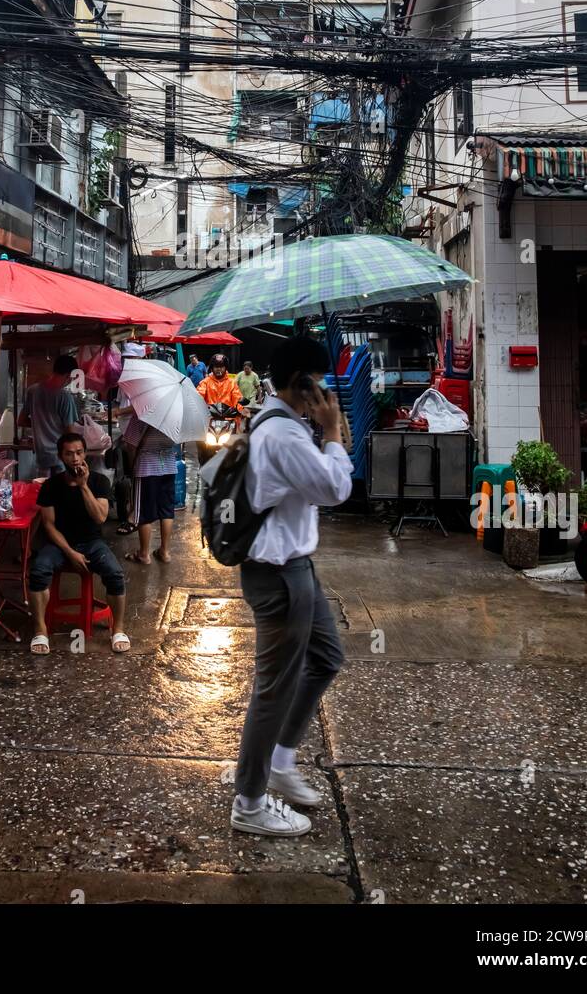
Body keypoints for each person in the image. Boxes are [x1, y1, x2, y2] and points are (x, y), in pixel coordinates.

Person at [231, 335, 352, 838]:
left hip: (296, 565)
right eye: (320, 380)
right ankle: (251, 801)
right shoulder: (286, 435)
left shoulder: (278, 423)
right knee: (274, 691)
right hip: (280, 575)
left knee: (325, 657)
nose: (324, 390)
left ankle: (281, 760)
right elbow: (335, 489)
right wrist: (334, 433)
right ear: (301, 381)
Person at [27, 432, 130, 655]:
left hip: (92, 542)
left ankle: (118, 629)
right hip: (60, 544)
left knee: (115, 575)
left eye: (79, 452)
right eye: (69, 454)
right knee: (38, 571)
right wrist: (70, 552)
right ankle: (40, 630)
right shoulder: (51, 486)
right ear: (61, 456)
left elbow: (101, 517)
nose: (75, 458)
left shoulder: (99, 481)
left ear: (85, 453)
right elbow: (49, 525)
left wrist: (83, 486)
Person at [120, 412, 178, 566]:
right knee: (167, 510)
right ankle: (164, 552)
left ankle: (144, 554)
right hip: (169, 466)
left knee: (144, 511)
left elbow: (131, 445)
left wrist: (132, 465)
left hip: (146, 467)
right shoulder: (177, 414)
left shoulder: (143, 412)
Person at [18, 353, 79, 476]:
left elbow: (21, 421)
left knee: (43, 490)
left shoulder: (33, 390)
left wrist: (39, 425)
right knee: (61, 491)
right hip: (60, 456)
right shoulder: (65, 397)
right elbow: (71, 433)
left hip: (41, 455)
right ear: (69, 376)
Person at [197, 354, 243, 418]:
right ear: (212, 368)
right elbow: (199, 396)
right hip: (209, 418)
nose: (218, 369)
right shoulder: (205, 382)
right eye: (216, 367)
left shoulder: (232, 383)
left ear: (225, 368)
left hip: (228, 419)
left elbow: (237, 397)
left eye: (221, 367)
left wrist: (241, 409)